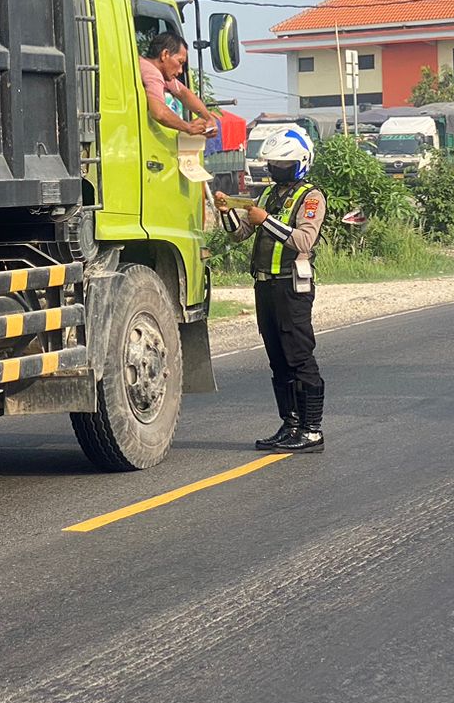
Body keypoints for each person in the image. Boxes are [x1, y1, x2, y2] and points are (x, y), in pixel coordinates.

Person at [214, 127, 327, 453]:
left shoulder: (311, 197)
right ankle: (290, 424)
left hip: (292, 287)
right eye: (273, 164)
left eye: (284, 164)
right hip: (264, 285)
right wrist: (227, 215)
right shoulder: (265, 196)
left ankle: (311, 430)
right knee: (277, 360)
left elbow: (304, 240)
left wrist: (265, 221)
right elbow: (238, 235)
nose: (277, 169)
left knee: (299, 357)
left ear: (301, 163)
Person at [139, 30, 217, 137]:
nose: (180, 71)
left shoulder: (146, 66)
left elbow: (183, 92)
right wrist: (188, 127)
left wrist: (208, 117)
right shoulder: (152, 74)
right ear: (165, 54)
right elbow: (159, 113)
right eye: (180, 62)